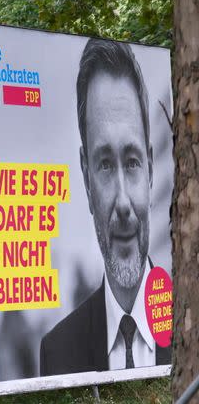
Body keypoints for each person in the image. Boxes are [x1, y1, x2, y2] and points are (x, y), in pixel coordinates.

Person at [39, 39, 171, 376]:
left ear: (151, 168)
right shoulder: (57, 352)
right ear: (85, 177)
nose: (124, 202)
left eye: (131, 162)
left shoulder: (191, 323)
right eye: (105, 166)